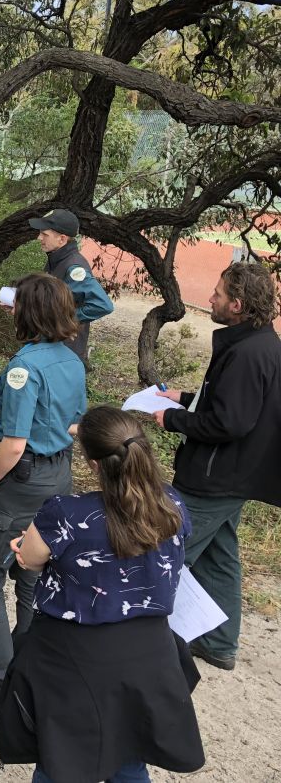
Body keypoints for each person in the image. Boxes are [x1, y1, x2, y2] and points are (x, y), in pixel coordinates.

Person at [0, 406, 204, 783]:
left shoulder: (65, 513)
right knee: (128, 751)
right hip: (149, 653)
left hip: (75, 656)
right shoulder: (172, 503)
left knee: (61, 759)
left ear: (92, 464)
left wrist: (24, 550)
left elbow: (30, 558)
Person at [0, 273, 86, 717]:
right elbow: (72, 424)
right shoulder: (72, 361)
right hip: (58, 475)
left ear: (31, 312)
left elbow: (14, 445)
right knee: (31, 574)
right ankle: (24, 662)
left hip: (22, 481)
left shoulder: (25, 367)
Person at [153, 261, 281, 671]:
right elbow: (234, 403)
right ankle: (220, 643)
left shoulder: (247, 354)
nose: (211, 299)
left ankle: (139, 643)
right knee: (221, 557)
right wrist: (185, 397)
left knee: (167, 551)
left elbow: (230, 421)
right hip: (236, 473)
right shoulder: (260, 342)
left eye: (219, 294)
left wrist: (171, 419)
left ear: (238, 305)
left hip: (215, 477)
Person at [27, 208, 114, 365]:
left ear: (62, 239)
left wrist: (66, 320)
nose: (39, 237)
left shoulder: (74, 267)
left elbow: (103, 305)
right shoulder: (56, 258)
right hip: (49, 344)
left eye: (45, 234)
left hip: (64, 352)